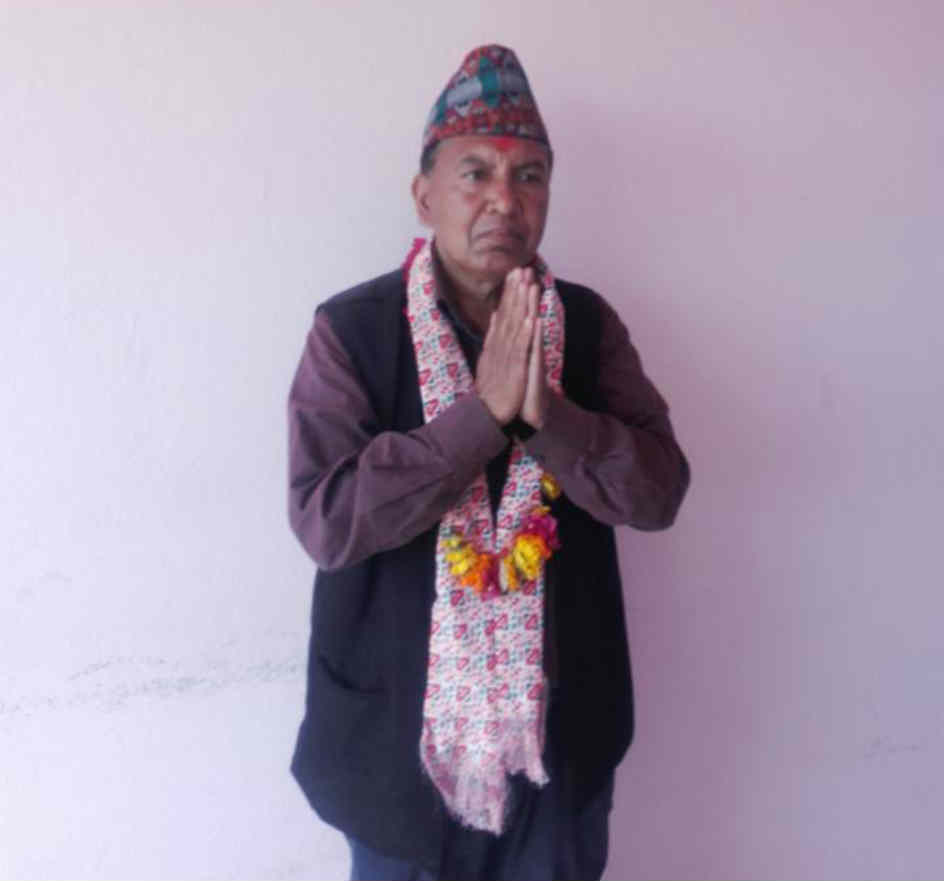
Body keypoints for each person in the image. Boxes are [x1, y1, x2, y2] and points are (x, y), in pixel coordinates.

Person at [287, 44, 690, 881]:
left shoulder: (588, 325)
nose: (505, 198)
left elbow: (658, 493)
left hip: (557, 756)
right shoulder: (351, 331)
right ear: (424, 195)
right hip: (393, 756)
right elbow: (327, 521)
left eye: (530, 176)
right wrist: (480, 420)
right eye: (475, 173)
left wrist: (550, 420)